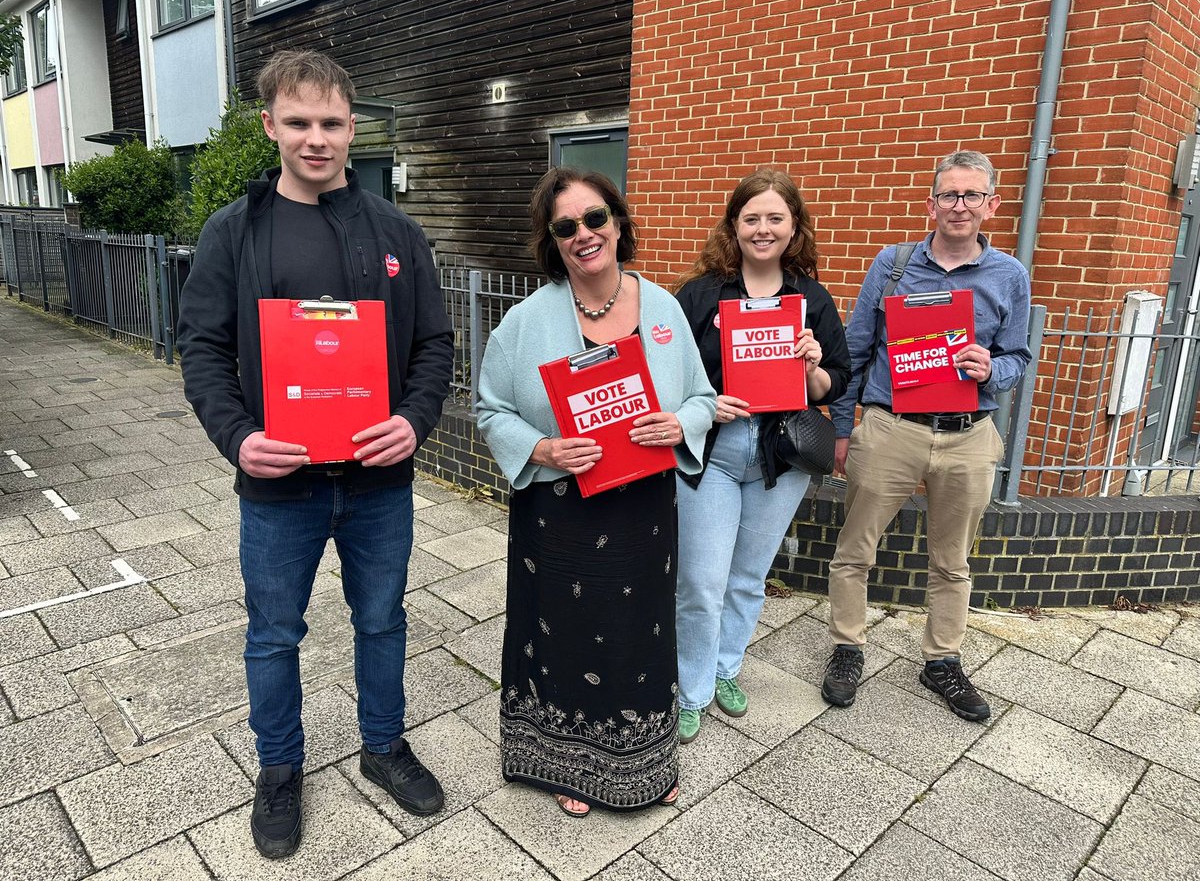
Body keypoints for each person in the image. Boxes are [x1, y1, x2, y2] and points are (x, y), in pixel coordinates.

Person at [176, 50, 454, 858]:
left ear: (352, 126)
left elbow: (434, 345)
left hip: (378, 482)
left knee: (383, 620)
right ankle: (280, 769)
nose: (317, 138)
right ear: (269, 126)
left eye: (331, 122)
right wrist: (237, 437)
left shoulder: (397, 233)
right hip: (280, 489)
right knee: (272, 634)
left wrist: (414, 420)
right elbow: (201, 349)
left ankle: (382, 747)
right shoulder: (234, 232)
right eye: (298, 122)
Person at [476, 167, 716, 817]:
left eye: (595, 218)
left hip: (643, 509)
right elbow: (491, 409)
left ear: (617, 221)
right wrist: (544, 449)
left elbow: (702, 398)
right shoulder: (525, 322)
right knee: (565, 636)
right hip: (559, 513)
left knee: (642, 633)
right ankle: (564, 760)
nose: (584, 234)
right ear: (551, 241)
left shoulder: (662, 308)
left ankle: (648, 760)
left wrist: (681, 422)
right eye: (565, 226)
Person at [821, 150, 1031, 721]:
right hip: (891, 428)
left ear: (991, 204)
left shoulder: (1010, 275)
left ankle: (942, 659)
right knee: (855, 550)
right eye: (948, 195)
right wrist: (843, 430)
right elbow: (854, 351)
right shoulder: (891, 264)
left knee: (953, 560)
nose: (958, 206)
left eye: (971, 196)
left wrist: (994, 369)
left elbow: (1018, 357)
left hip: (968, 435)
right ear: (930, 204)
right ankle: (847, 646)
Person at [673, 169, 850, 743]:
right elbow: (667, 373)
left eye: (776, 217)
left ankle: (726, 667)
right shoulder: (700, 294)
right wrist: (705, 402)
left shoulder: (811, 299)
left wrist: (810, 367)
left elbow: (834, 386)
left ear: (793, 226)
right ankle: (692, 687)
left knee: (748, 577)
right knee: (701, 580)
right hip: (716, 452)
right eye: (751, 217)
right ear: (734, 225)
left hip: (781, 457)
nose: (763, 228)